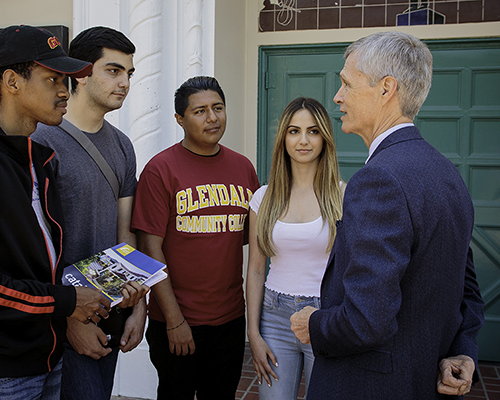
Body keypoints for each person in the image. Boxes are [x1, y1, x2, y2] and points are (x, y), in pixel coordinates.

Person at [289, 31, 485, 399]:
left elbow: (366, 320)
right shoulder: (447, 173)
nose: (338, 96)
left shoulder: (379, 179)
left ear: (386, 89)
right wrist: (464, 350)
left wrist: (314, 325)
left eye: (347, 83)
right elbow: (467, 290)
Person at [0, 25, 114, 400]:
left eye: (66, 80)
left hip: (48, 358)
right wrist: (63, 301)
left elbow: (37, 261)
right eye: (52, 80)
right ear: (12, 81)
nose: (65, 91)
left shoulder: (38, 159)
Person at [31, 26, 147, 400]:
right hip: (59, 316)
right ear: (81, 72)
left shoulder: (122, 146)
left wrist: (138, 305)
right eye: (113, 71)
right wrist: (67, 319)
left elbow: (125, 231)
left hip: (109, 309)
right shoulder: (41, 140)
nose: (125, 82)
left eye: (129, 73)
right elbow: (32, 246)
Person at [131, 76, 260, 400]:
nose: (212, 118)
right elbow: (149, 247)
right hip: (177, 318)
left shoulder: (243, 168)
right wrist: (174, 321)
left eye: (218, 108)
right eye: (200, 111)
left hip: (230, 318)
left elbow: (246, 238)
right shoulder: (161, 169)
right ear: (180, 119)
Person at [246, 97, 345, 399]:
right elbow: (255, 269)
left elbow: (350, 269)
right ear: (283, 138)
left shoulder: (342, 195)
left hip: (324, 315)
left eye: (313, 131)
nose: (303, 140)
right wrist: (254, 334)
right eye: (294, 131)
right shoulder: (263, 197)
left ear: (325, 138)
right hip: (274, 318)